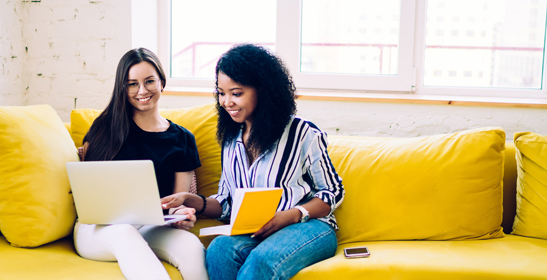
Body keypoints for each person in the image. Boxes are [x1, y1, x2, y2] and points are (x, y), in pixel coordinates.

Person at [161, 44, 345, 280]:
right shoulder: (230, 140)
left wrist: (291, 215)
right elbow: (227, 203)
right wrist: (192, 201)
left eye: (236, 93)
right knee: (219, 250)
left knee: (262, 260)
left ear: (263, 90)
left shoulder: (303, 133)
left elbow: (333, 191)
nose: (226, 102)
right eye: (221, 93)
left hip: (309, 227)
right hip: (256, 229)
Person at [75, 48, 208, 280]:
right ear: (123, 88)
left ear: (162, 83)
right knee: (125, 232)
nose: (142, 91)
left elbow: (177, 200)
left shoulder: (183, 138)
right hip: (98, 230)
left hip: (152, 226)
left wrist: (181, 214)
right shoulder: (105, 128)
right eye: (132, 84)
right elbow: (88, 188)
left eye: (149, 82)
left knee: (191, 246)